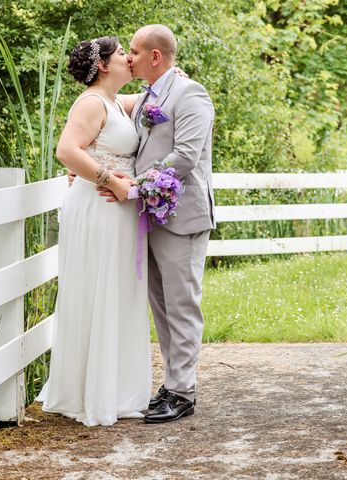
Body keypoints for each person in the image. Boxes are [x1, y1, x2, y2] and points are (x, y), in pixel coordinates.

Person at [35, 36, 152, 426]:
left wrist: (173, 79)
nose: (128, 59)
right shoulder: (89, 103)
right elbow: (67, 151)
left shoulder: (118, 101)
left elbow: (155, 98)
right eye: (122, 53)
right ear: (103, 64)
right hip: (97, 206)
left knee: (117, 292)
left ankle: (116, 390)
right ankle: (91, 393)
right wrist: (110, 179)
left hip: (117, 212)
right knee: (97, 291)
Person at [123, 24, 215, 423]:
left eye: (134, 52)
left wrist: (131, 185)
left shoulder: (190, 93)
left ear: (155, 56)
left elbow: (186, 157)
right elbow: (108, 102)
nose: (128, 58)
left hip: (183, 217)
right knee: (161, 306)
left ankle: (184, 392)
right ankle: (172, 383)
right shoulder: (150, 94)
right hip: (154, 217)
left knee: (182, 305)